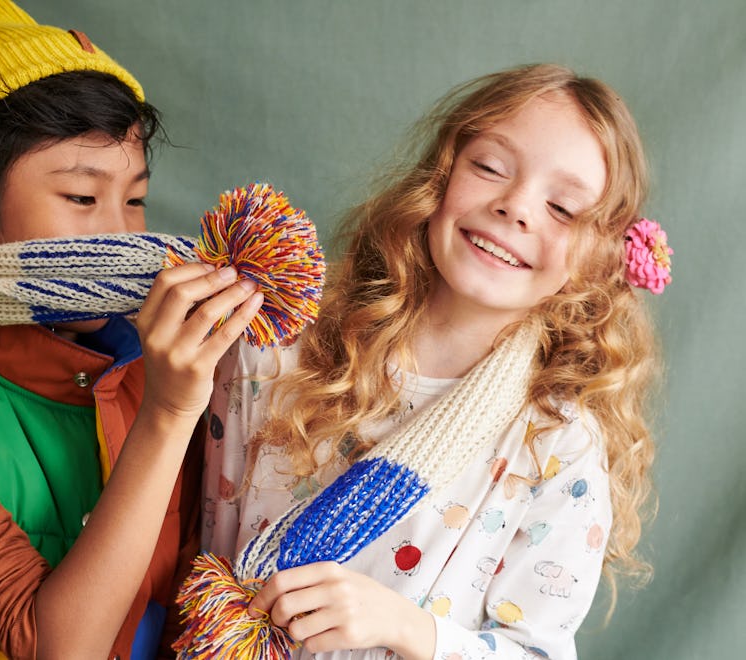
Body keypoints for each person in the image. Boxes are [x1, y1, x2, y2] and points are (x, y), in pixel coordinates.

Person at [199, 64, 667, 659]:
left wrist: (407, 628)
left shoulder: (558, 443)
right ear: (440, 177)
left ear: (599, 257)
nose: (517, 207)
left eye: (563, 208)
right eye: (490, 167)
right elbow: (206, 548)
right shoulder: (281, 351)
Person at [0, 1, 262, 658]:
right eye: (82, 197)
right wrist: (166, 414)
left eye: (133, 199)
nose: (119, 232)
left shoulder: (182, 359)